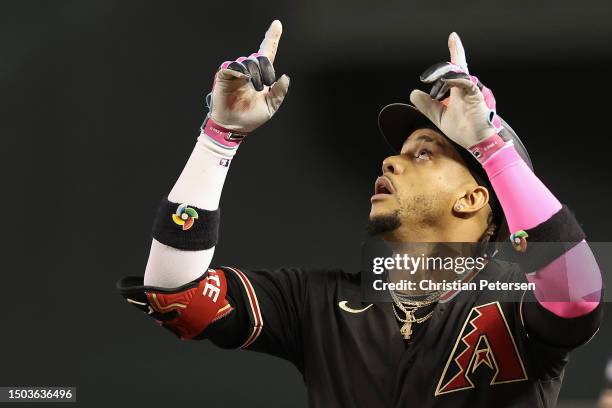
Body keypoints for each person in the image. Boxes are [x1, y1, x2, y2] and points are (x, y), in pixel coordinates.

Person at [117, 20, 603, 407]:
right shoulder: (319, 300)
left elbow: (577, 294)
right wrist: (218, 137)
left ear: (473, 199)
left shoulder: (517, 299)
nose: (390, 160)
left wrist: (488, 146)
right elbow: (174, 293)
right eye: (400, 152)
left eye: (424, 153)